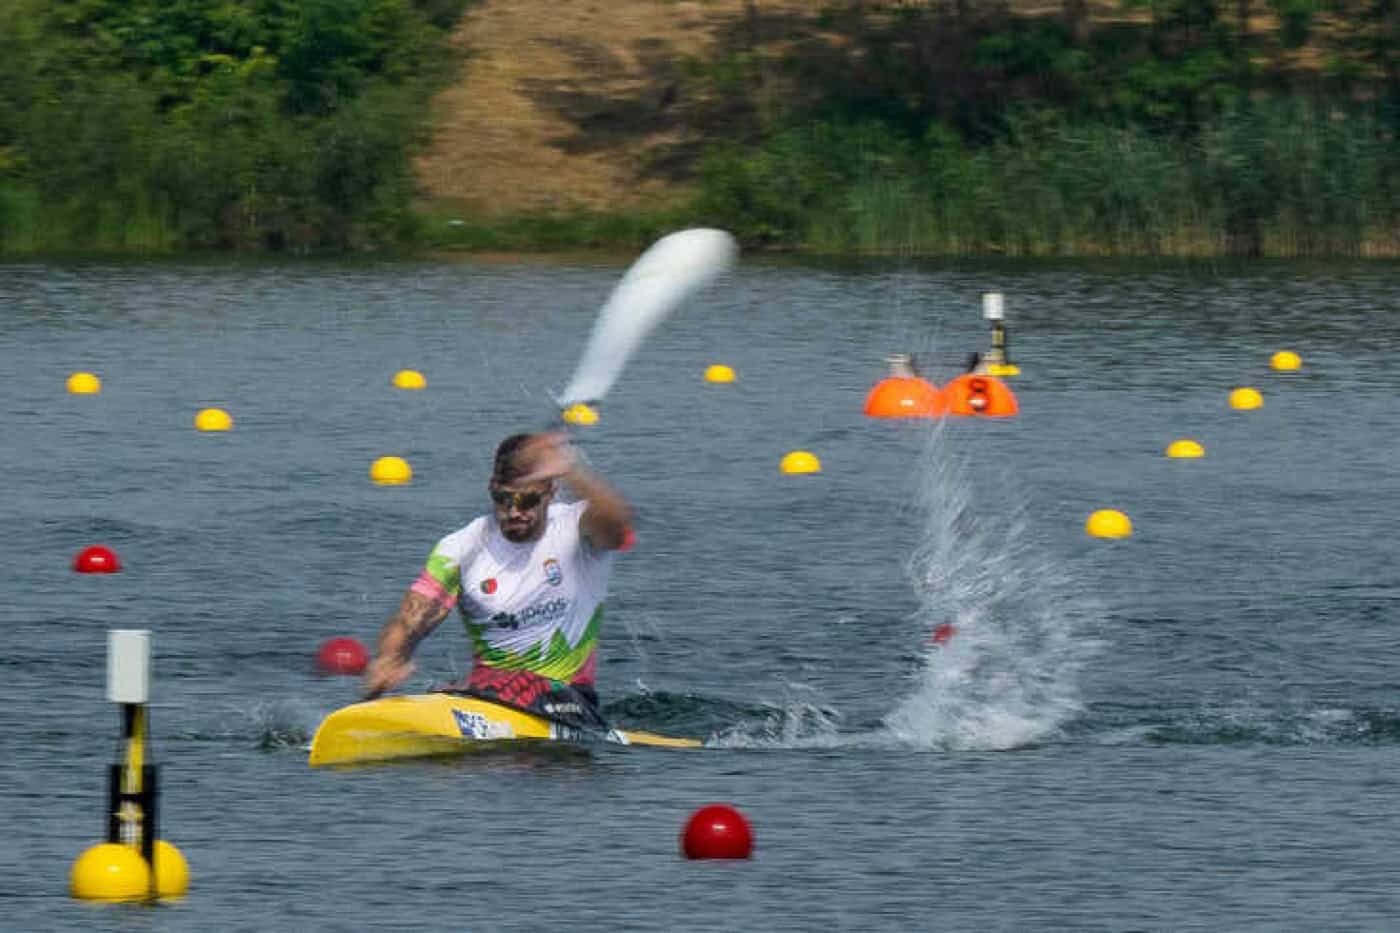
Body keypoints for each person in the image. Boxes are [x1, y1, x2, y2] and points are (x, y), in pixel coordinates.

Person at [362, 432, 632, 730]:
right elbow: (410, 619)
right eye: (503, 499)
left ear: (551, 492)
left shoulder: (578, 529)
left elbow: (618, 527)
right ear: (492, 489)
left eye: (527, 500)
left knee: (513, 685)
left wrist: (571, 470)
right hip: (486, 696)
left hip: (569, 700)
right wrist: (389, 658)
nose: (515, 511)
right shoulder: (460, 548)